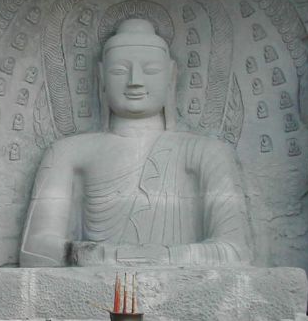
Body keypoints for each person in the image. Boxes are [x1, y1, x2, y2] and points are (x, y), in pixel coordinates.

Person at [20, 19, 251, 268]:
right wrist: (101, 255)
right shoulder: (67, 153)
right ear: (101, 77)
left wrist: (155, 257)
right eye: (119, 71)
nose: (135, 81)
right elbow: (34, 250)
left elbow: (236, 252)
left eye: (151, 70)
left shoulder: (207, 153)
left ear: (171, 76)